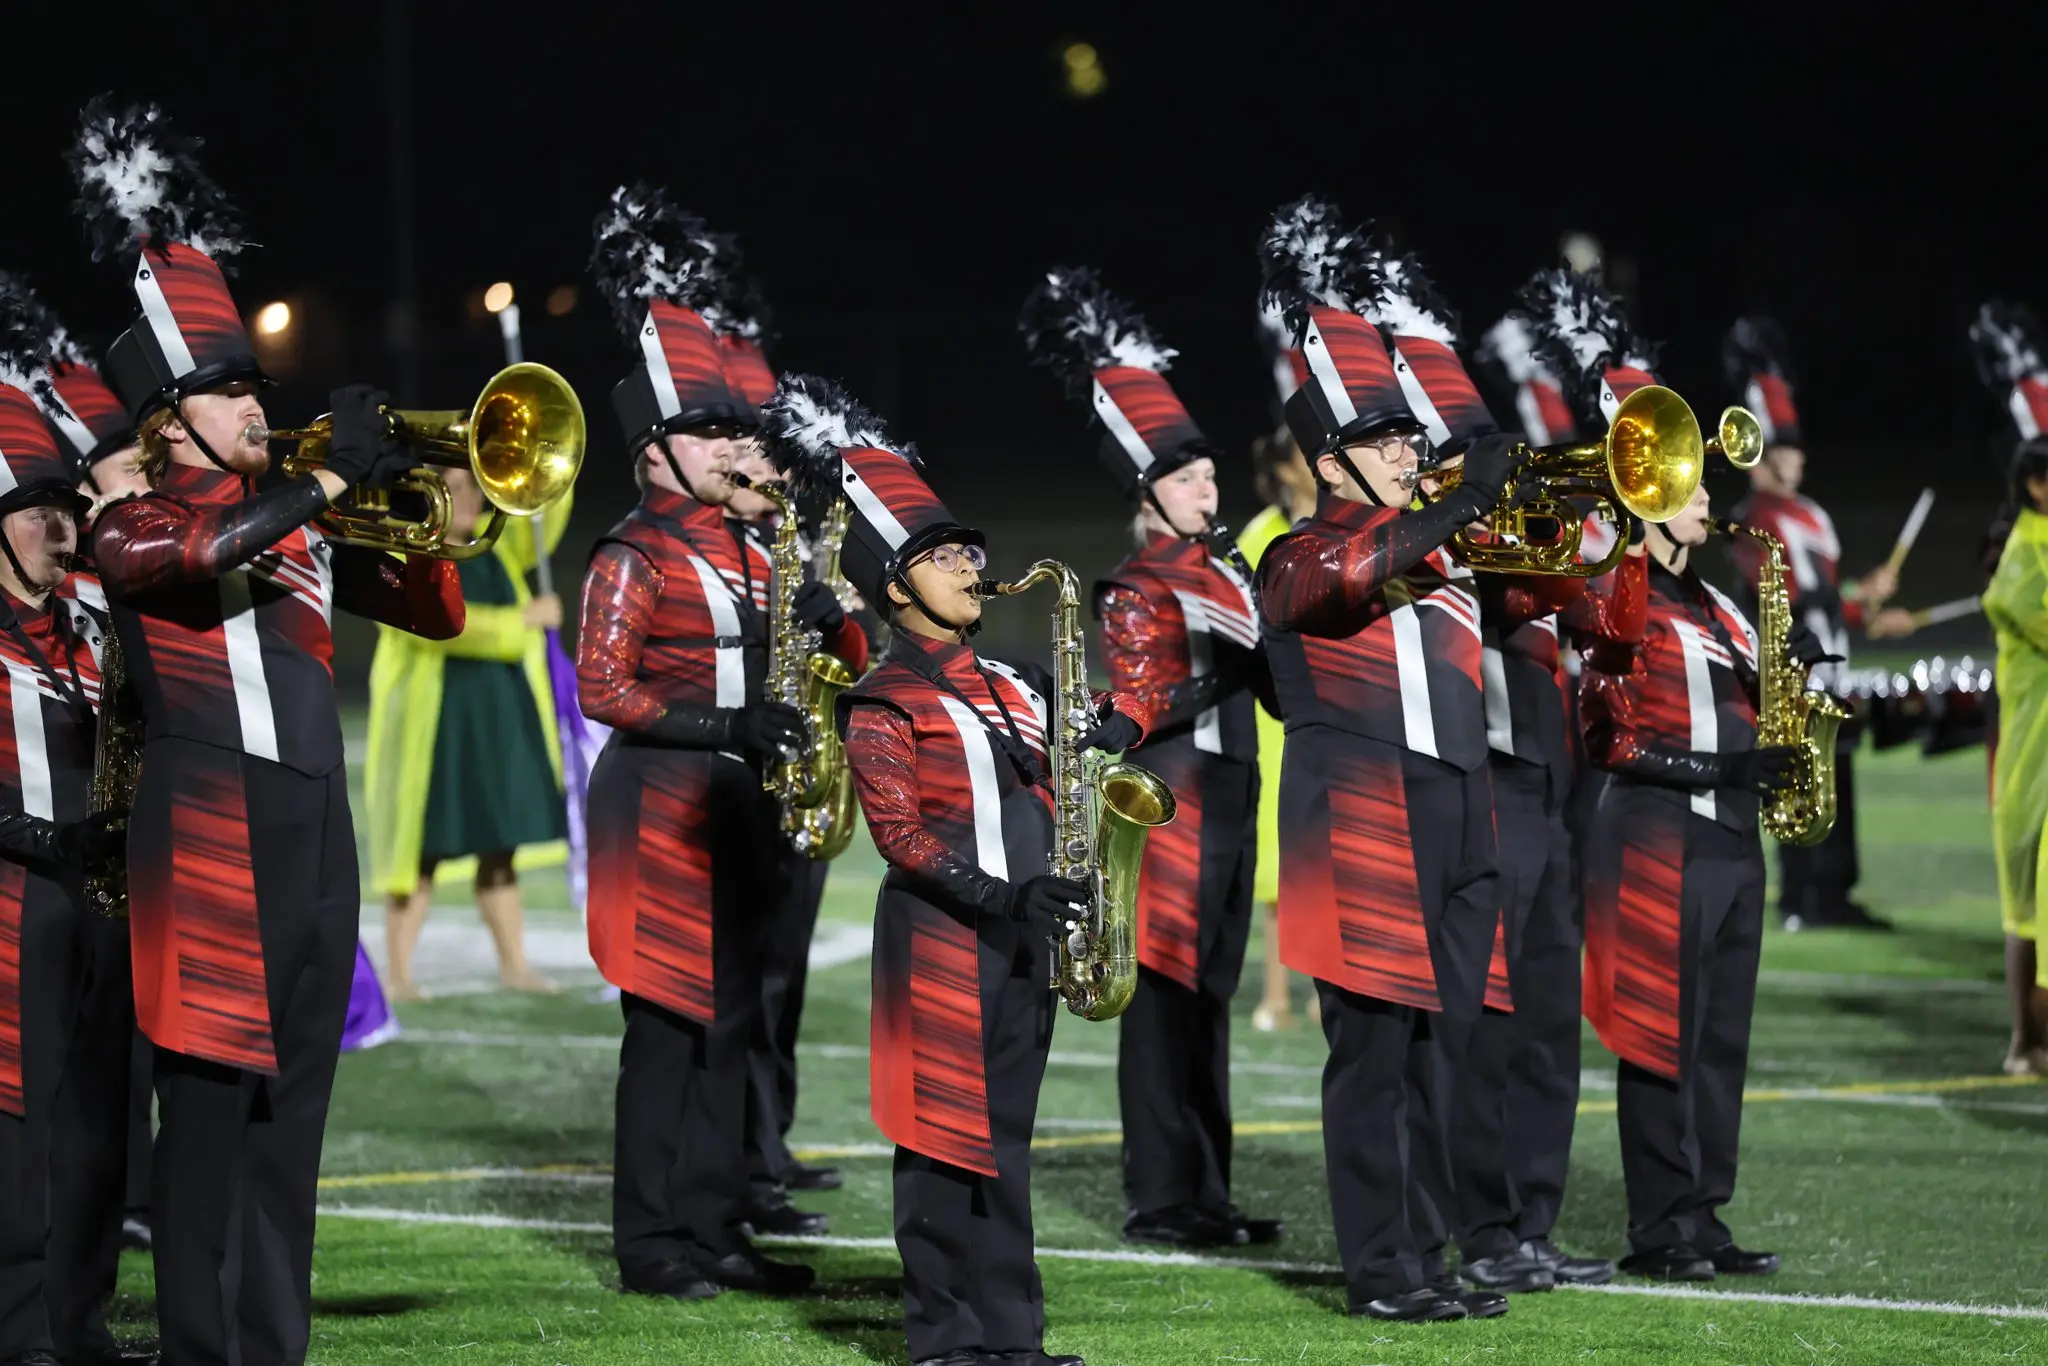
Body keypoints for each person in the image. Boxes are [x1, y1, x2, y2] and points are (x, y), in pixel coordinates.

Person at [73, 98, 464, 1363]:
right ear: (167, 418)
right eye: (228, 391)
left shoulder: (293, 512)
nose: (254, 405)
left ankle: (268, 1348)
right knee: (204, 1115)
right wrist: (327, 476)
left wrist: (430, 497)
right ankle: (199, 1346)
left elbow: (434, 607)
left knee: (292, 1121)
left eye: (255, 387)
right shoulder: (133, 519)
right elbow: (196, 551)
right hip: (205, 826)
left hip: (313, 824)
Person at [764, 371, 1142, 1366]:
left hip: (1024, 941)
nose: (971, 566)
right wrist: (1006, 895)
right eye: (942, 556)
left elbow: (1090, 736)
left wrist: (1120, 726)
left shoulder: (1017, 680)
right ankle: (944, 1340)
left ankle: (1012, 1339)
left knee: (1006, 1141)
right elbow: (898, 835)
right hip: (940, 939)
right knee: (939, 1145)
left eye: (971, 551)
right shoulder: (882, 698)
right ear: (896, 585)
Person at [1255, 197, 1516, 1323]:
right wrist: (1467, 497)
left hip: (1458, 810)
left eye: (1412, 437)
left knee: (1438, 1048)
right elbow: (1349, 576)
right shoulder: (1295, 552)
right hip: (1362, 811)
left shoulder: (1444, 553)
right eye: (1386, 440)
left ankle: (1427, 1250)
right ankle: (1379, 1268)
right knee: (1370, 1052)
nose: (1411, 452)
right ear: (1329, 460)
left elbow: (1574, 597)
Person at [1375, 257, 1644, 1297]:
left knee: (1542, 1019)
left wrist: (1618, 530)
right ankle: (1474, 1224)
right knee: (1480, 1021)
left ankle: (1527, 1220)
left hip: (1545, 785)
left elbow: (1609, 626)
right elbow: (1497, 603)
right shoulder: (1431, 541)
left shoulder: (1515, 533)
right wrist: (1497, 524)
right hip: (1476, 783)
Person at [578, 184, 812, 1301]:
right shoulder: (632, 552)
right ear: (654, 451)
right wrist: (726, 725)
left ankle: (718, 1227)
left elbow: (817, 654)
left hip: (736, 805)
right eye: (709, 432)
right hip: (659, 803)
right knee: (668, 1028)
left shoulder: (753, 547)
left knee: (732, 1023)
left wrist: (832, 621)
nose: (732, 447)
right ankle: (650, 1240)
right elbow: (602, 688)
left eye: (733, 430)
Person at [1021, 268, 1279, 1249]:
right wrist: (1228, 669)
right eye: (1186, 479)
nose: (1207, 489)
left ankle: (1207, 1191)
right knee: (1167, 999)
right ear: (1147, 491)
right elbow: (1137, 700)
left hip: (1237, 792)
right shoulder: (1138, 585)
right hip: (1177, 805)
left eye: (1209, 475)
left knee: (1209, 1000)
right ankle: (1162, 1197)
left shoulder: (1228, 573)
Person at [0, 271, 158, 1366]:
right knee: (18, 1125)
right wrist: (35, 836)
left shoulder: (93, 626)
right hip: (15, 899)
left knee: (104, 1118)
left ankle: (80, 1320)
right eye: (37, 511)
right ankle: (20, 1331)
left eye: (68, 508)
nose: (62, 528)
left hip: (104, 901)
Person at [714, 294, 869, 1219]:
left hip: (803, 772)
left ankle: (770, 1137)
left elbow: (856, 661)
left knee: (787, 975)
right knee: (748, 977)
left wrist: (836, 619)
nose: (767, 465)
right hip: (735, 780)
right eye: (748, 447)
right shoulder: (711, 544)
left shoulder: (800, 542)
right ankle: (744, 1159)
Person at [1723, 318, 1908, 932]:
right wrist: (1855, 593)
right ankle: (1800, 898)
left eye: (1794, 449)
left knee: (1839, 781)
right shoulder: (1752, 517)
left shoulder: (1814, 516)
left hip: (1834, 671)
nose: (1792, 459)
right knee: (1798, 782)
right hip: (1792, 674)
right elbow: (1786, 594)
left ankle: (1836, 893)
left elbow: (1833, 603)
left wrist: (1871, 612)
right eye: (1779, 450)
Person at [366, 459, 572, 1001]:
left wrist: (547, 471)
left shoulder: (494, 546)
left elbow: (544, 520)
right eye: (457, 488)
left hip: (501, 715)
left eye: (475, 487)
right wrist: (521, 622)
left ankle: (514, 965)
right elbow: (439, 625)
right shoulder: (404, 553)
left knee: (499, 844)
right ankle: (399, 974)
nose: (473, 498)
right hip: (439, 723)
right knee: (423, 850)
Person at [1970, 303, 2048, 1075]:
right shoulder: (2024, 561)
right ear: (2035, 485)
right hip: (2032, 763)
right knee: (2026, 908)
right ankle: (2026, 1041)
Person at [1242, 308, 1319, 1034]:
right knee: (1275, 864)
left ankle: (1325, 988)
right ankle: (1275, 993)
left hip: (1327, 708)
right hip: (1274, 718)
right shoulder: (1260, 535)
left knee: (1325, 856)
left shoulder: (1336, 527)